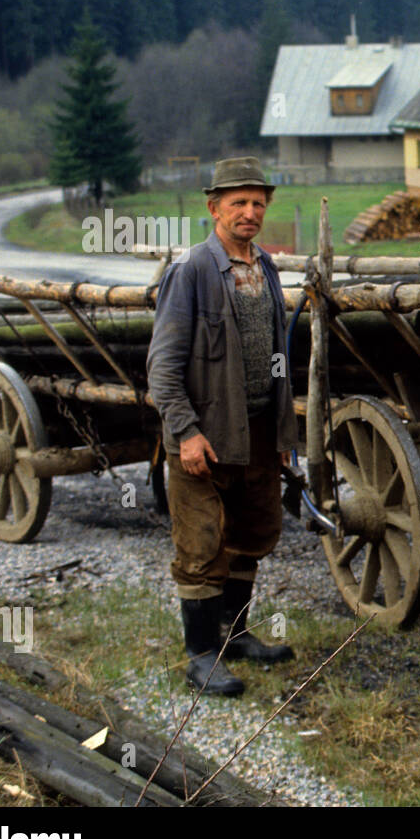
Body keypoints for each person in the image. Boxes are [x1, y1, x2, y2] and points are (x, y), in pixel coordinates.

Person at [147, 156, 299, 695]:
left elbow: (278, 361)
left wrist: (283, 437)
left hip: (256, 432)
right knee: (201, 542)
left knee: (252, 532)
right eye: (238, 202)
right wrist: (185, 433)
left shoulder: (266, 268)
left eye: (258, 203)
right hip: (204, 436)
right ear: (214, 208)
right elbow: (162, 368)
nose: (250, 212)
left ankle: (236, 636)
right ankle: (201, 655)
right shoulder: (190, 271)